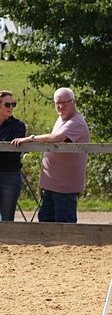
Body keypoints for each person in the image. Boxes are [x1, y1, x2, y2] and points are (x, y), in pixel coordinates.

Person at [11, 87, 90, 223]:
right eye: (57, 103)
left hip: (64, 186)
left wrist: (30, 138)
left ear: (73, 102)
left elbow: (56, 137)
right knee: (45, 222)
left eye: (64, 103)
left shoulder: (76, 122)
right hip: (52, 184)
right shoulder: (61, 119)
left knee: (64, 224)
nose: (60, 106)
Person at [0, 90, 27, 221]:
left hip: (9, 175)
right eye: (7, 105)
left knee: (6, 218)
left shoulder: (18, 125)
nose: (11, 107)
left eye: (13, 104)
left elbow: (12, 153)